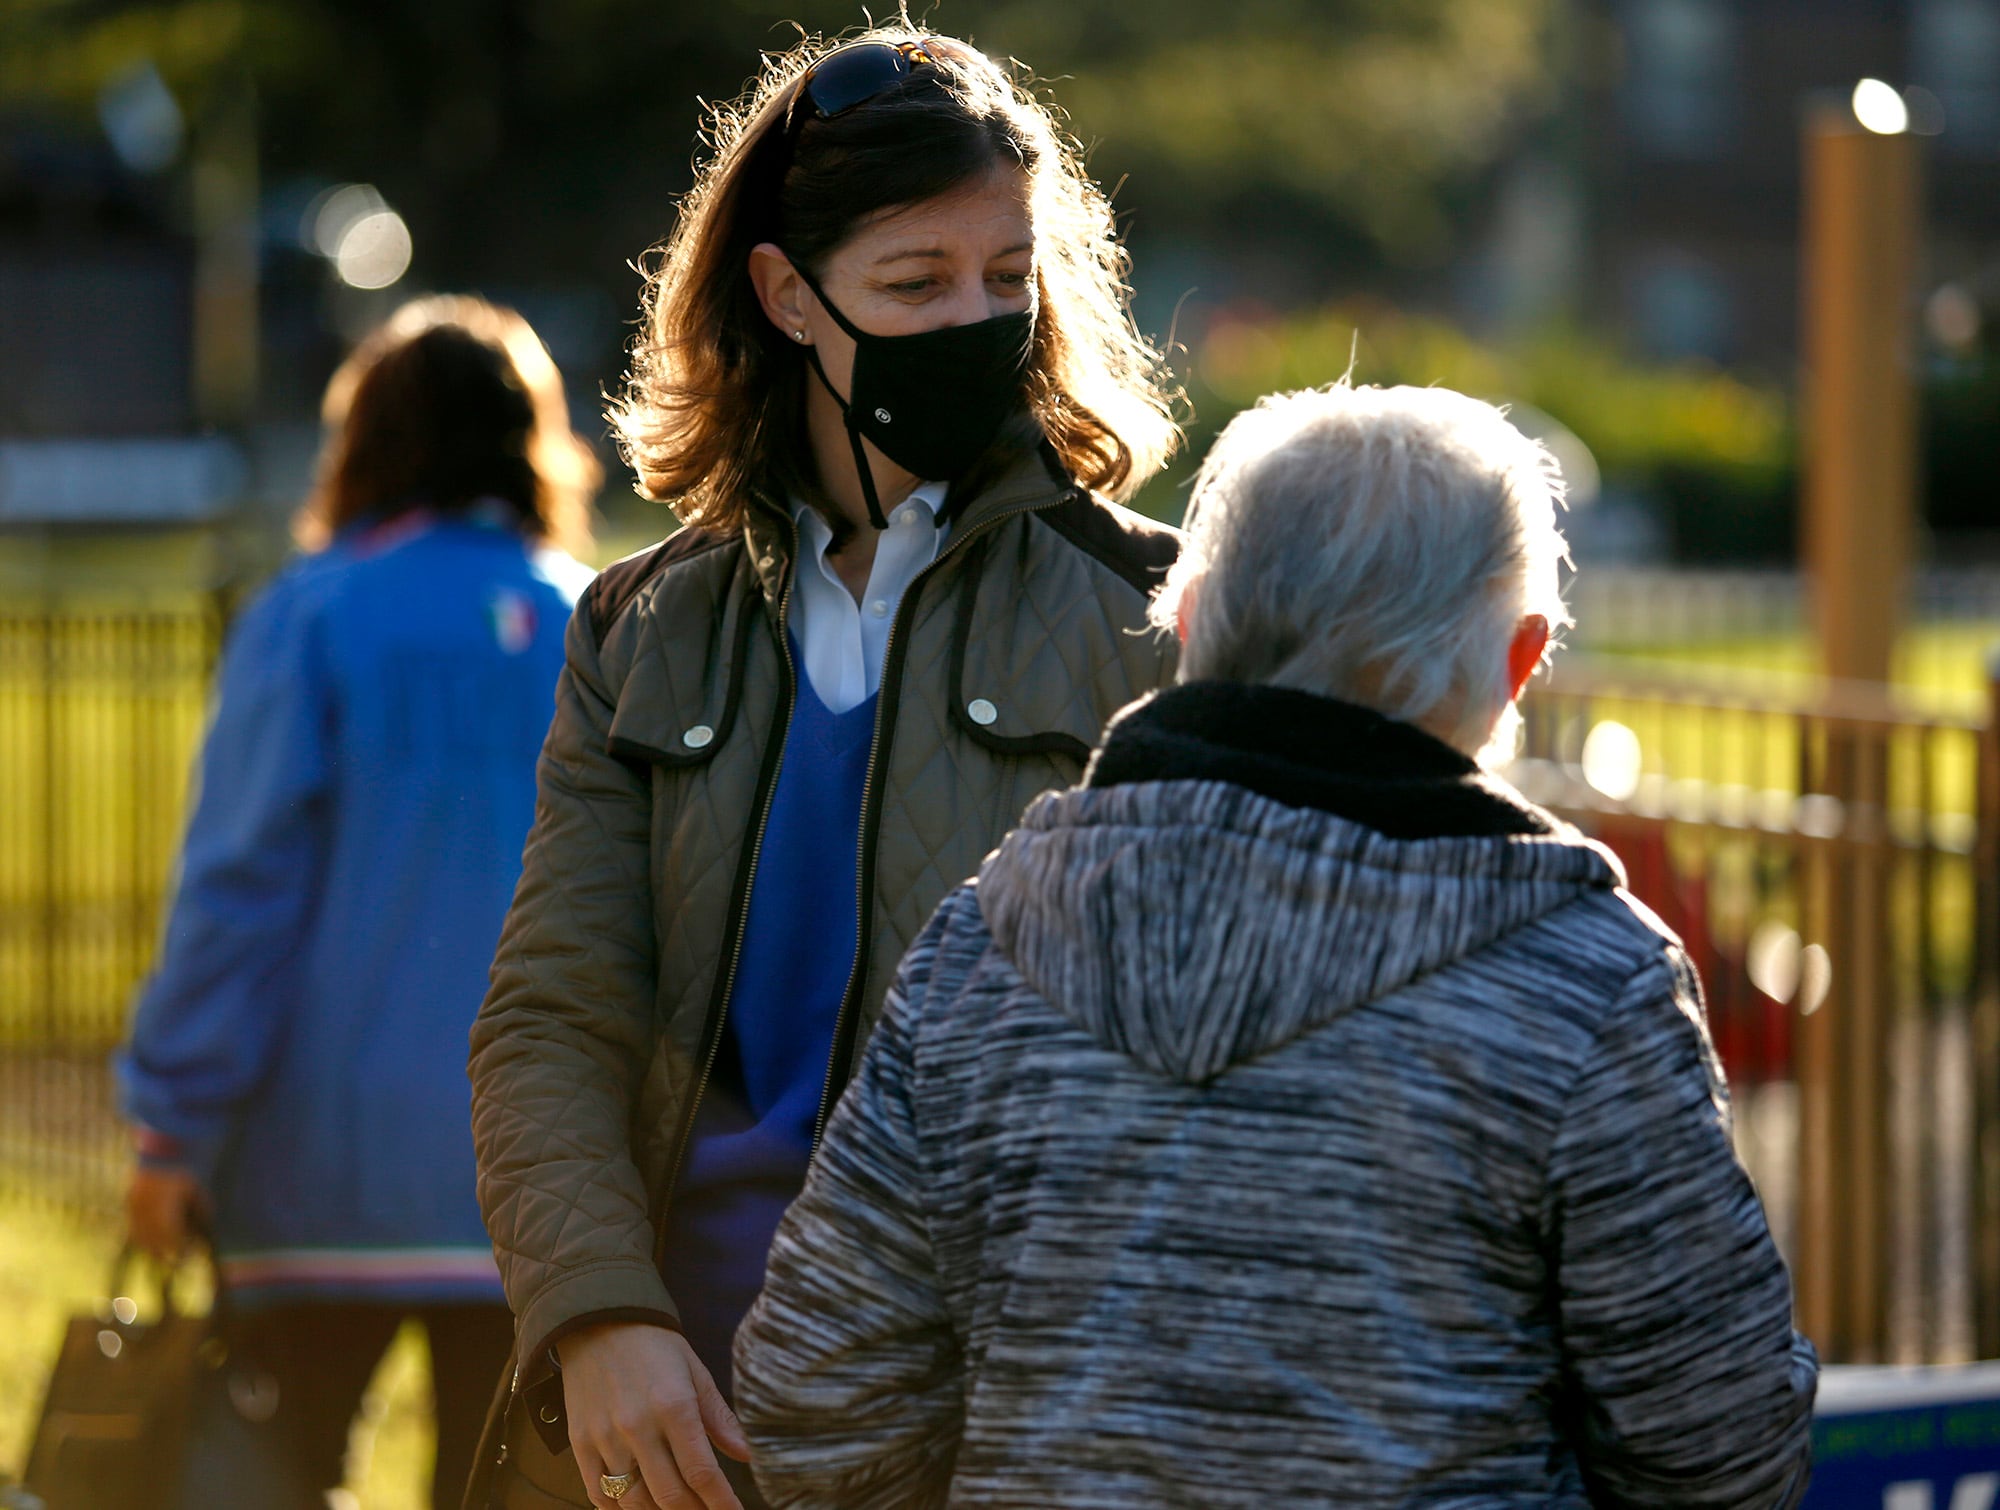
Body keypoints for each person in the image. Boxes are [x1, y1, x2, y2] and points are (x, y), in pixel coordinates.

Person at [733, 382, 1820, 1508]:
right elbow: (1719, 1452)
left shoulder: (984, 945)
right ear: (1516, 662)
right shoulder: (1586, 984)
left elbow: (815, 1396)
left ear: (1191, 618)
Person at [463, 25, 1183, 1510]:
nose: (976, 320)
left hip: (1006, 1422)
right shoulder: (638, 627)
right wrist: (599, 1316)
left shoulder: (1162, 616)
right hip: (681, 1415)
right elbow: (553, 1018)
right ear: (787, 294)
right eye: (914, 285)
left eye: (1006, 276)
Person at [120, 295, 598, 1508]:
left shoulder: (313, 614)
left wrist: (171, 1124)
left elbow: (237, 889)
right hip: (534, 1175)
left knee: (277, 1471)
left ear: (366, 440)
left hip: (315, 1167)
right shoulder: (600, 618)